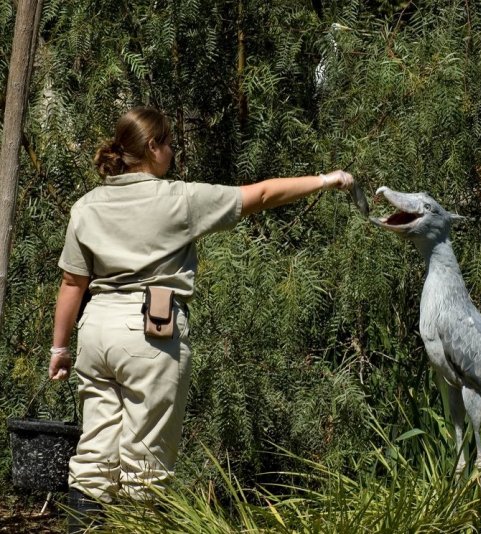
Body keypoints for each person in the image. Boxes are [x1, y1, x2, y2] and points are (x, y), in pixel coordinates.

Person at [47, 107, 353, 530]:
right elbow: (261, 195)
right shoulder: (179, 199)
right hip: (149, 335)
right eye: (168, 142)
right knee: (145, 466)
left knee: (94, 457)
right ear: (152, 148)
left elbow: (71, 284)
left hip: (96, 333)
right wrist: (326, 180)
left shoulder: (86, 206)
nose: (172, 150)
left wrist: (59, 348)